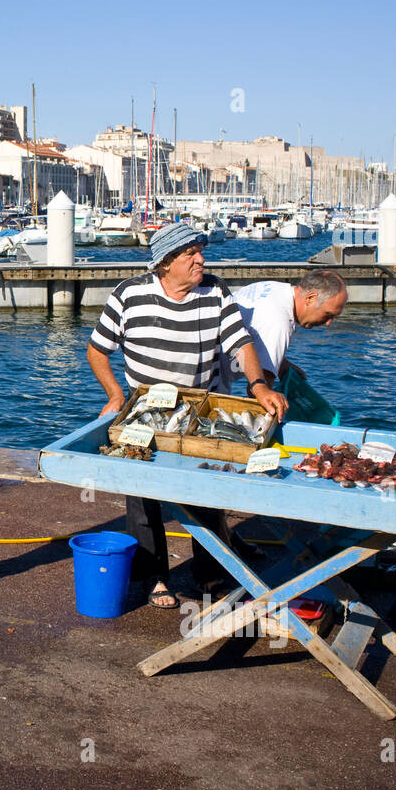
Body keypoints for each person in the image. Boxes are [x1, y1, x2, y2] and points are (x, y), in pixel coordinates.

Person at [87, 222, 287, 608]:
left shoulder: (213, 290)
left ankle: (210, 577)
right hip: (143, 408)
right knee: (142, 498)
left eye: (200, 251)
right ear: (164, 263)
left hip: (200, 406)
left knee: (205, 493)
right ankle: (154, 578)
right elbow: (97, 350)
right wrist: (114, 395)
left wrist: (257, 385)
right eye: (190, 254)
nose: (201, 260)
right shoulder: (129, 294)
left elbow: (239, 342)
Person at [220, 270, 348, 390]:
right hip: (212, 379)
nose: (328, 323)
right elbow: (258, 391)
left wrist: (282, 366)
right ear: (310, 298)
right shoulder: (280, 323)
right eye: (328, 314)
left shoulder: (274, 289)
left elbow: (258, 336)